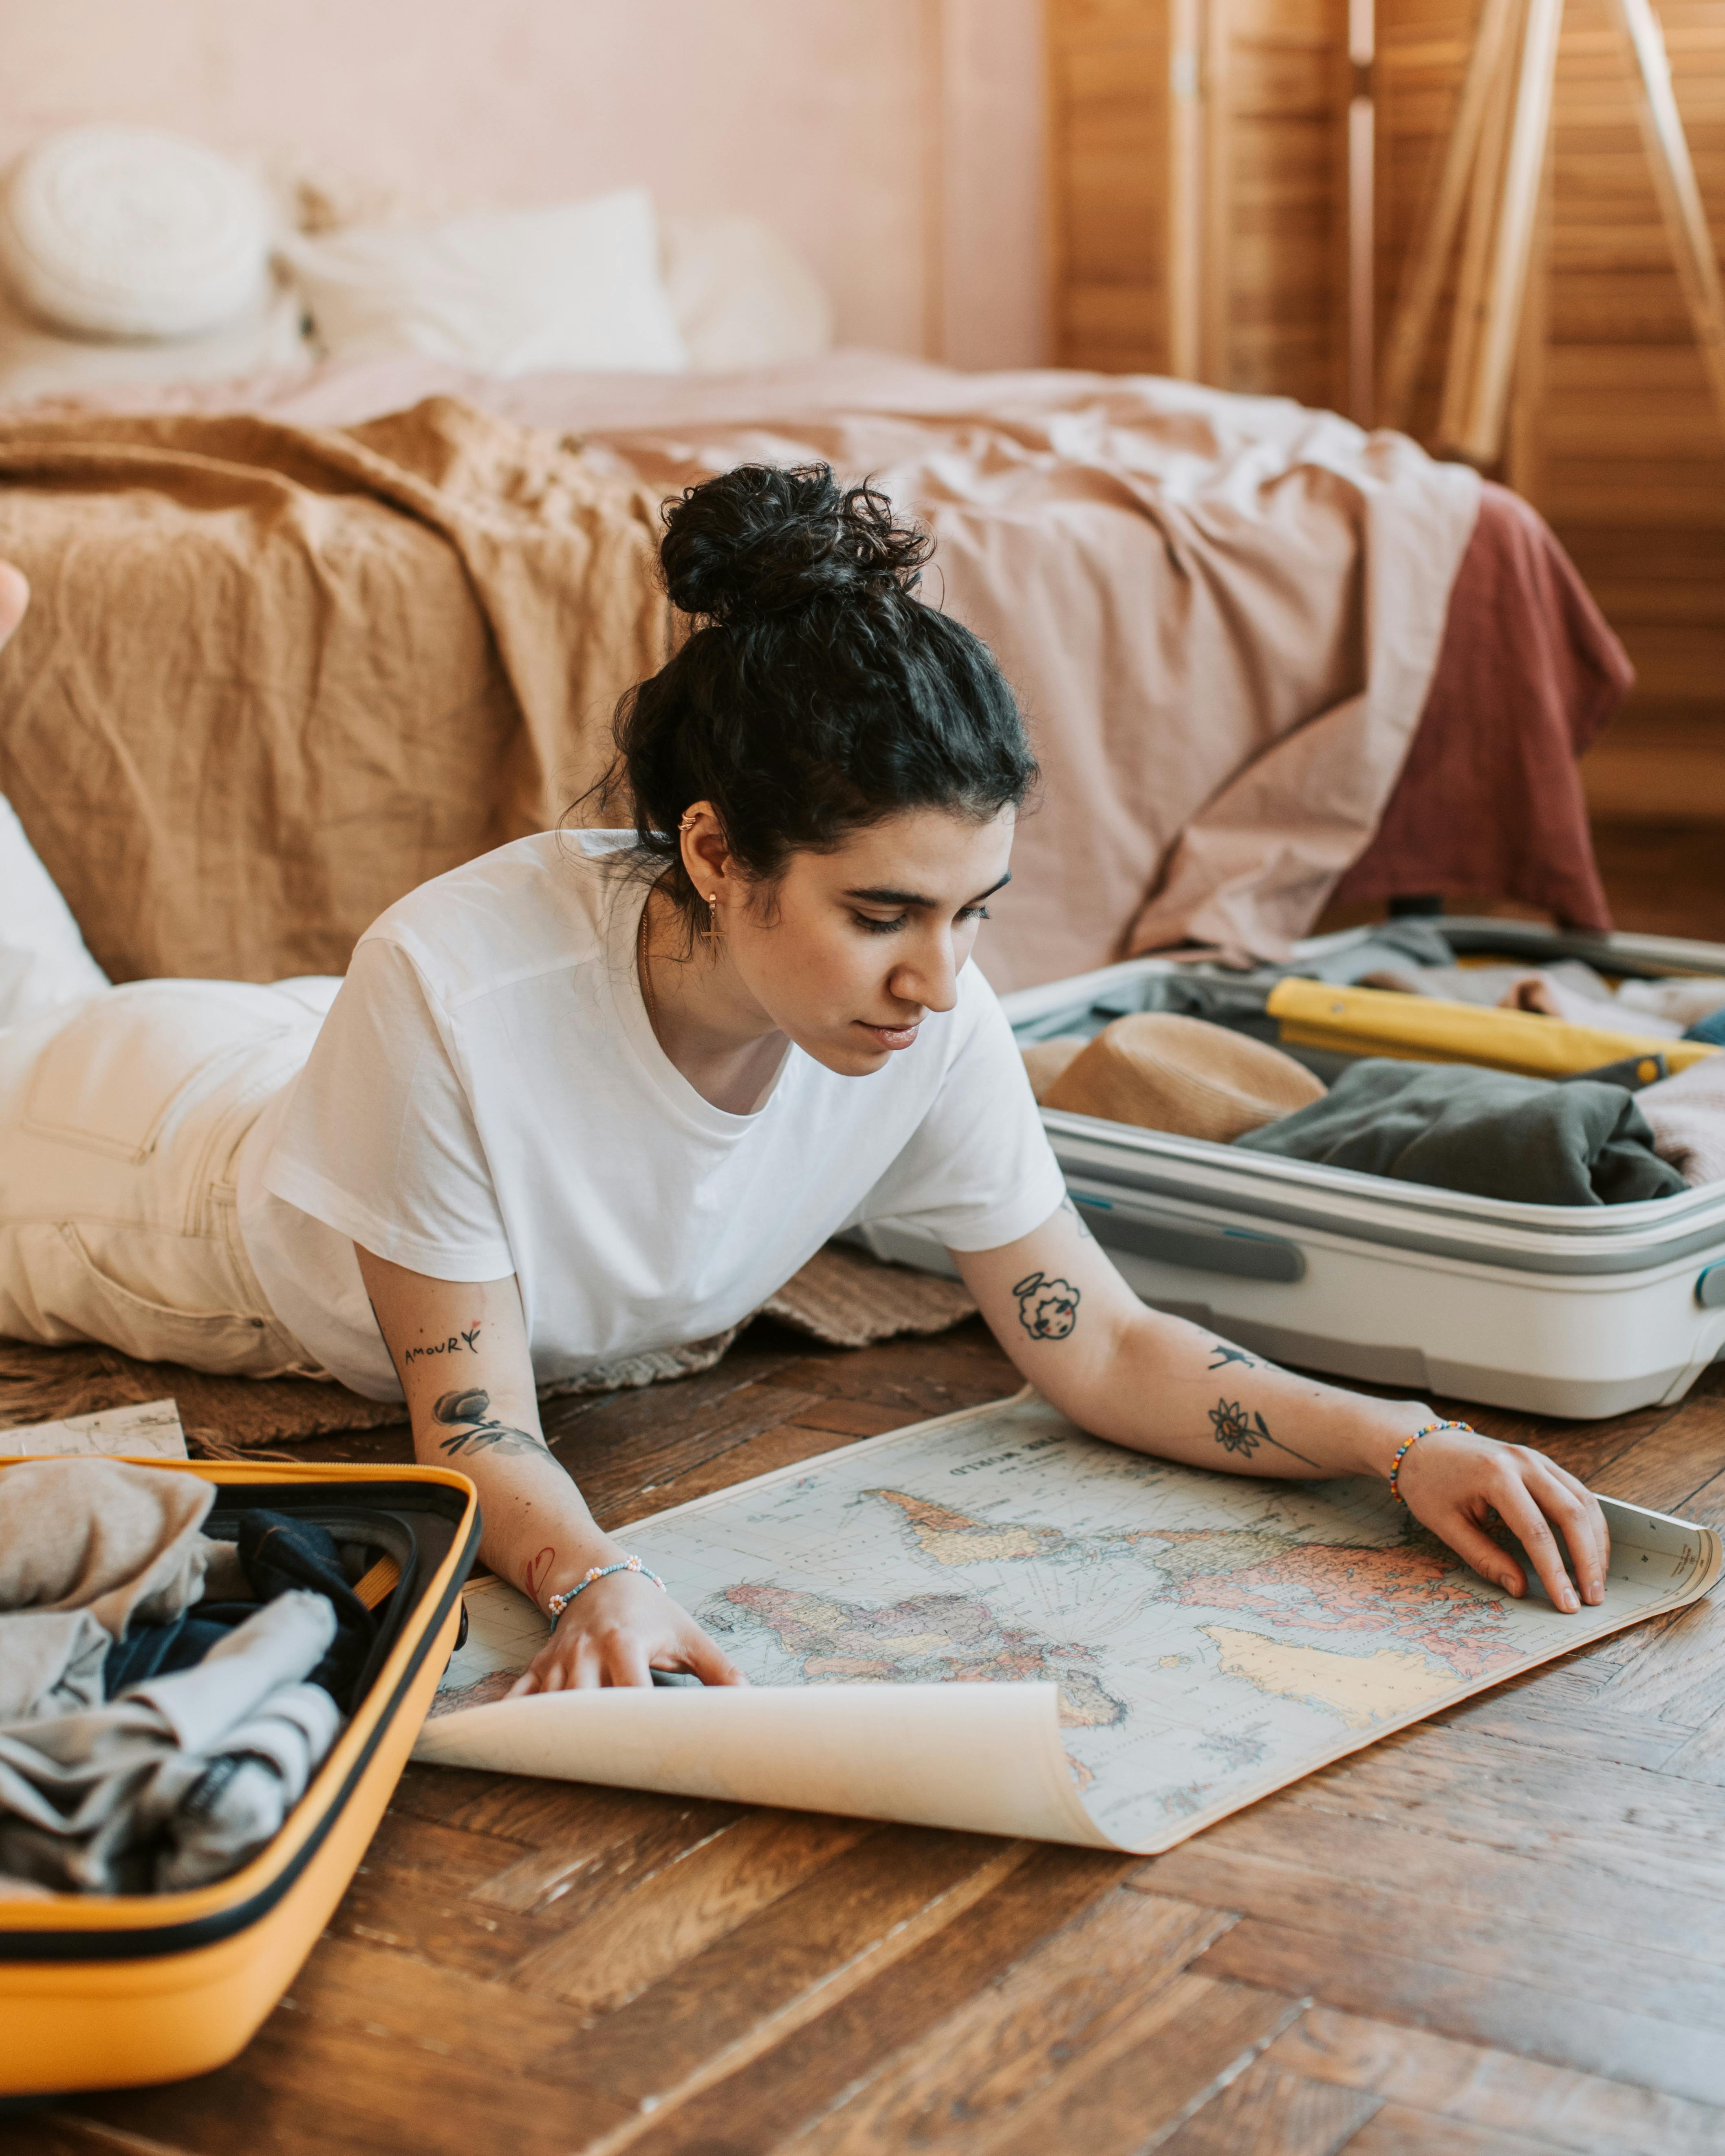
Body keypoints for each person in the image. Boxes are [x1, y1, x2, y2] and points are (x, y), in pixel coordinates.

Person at [0, 472, 1608, 1697]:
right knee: (26, 1023)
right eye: (881, 914)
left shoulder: (929, 1015)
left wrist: (1401, 1440)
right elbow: (472, 1431)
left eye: (972, 911)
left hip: (320, 1058)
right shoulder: (453, 983)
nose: (940, 978)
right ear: (712, 849)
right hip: (148, 1162)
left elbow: (1101, 1341)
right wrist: (591, 1578)